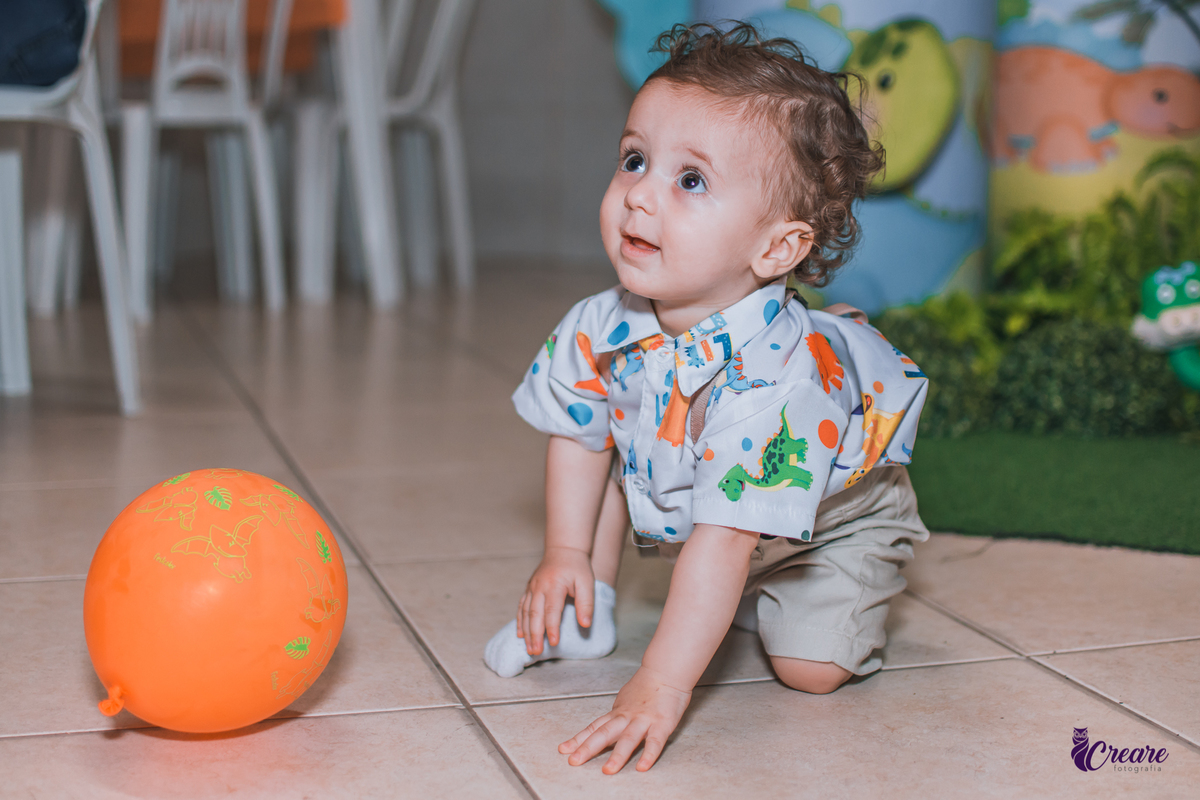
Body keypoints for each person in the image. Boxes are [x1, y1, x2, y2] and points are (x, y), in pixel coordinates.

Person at [484, 21, 930, 774]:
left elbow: (721, 538)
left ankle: (792, 587)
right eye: (634, 160)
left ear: (777, 249)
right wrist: (563, 552)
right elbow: (579, 430)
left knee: (808, 670)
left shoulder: (775, 385)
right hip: (708, 487)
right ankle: (584, 607)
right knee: (627, 436)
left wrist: (658, 684)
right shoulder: (601, 323)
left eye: (690, 181)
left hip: (832, 518)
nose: (639, 198)